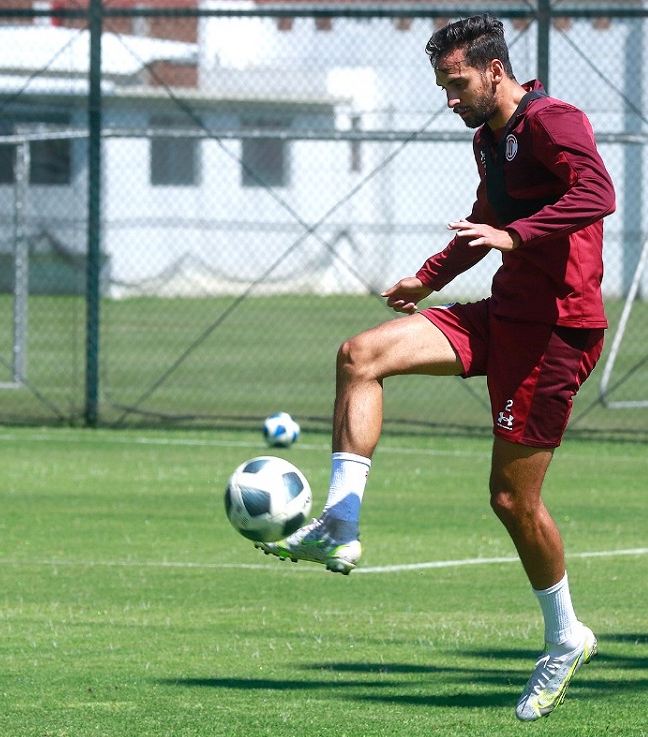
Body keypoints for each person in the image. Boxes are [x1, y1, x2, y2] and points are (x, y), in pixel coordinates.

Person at [257, 14, 615, 722]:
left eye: (456, 84)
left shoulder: (553, 120)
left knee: (512, 501)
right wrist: (426, 280)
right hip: (502, 313)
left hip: (555, 334)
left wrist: (514, 237)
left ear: (493, 70)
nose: (449, 99)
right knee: (361, 354)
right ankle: (341, 520)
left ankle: (565, 635)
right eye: (441, 86)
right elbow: (486, 216)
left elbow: (596, 193)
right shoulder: (491, 141)